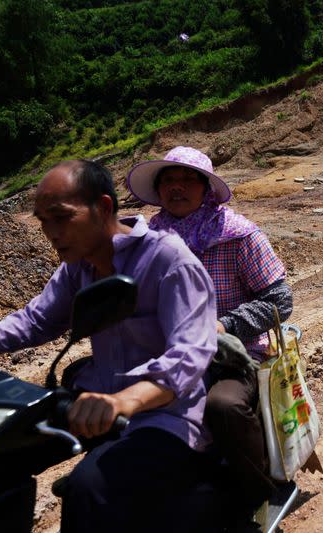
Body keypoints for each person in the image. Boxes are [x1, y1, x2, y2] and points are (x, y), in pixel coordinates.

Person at [0, 159, 218, 533]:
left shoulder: (168, 260)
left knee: (88, 488)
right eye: (43, 220)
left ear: (104, 208)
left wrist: (123, 400)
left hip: (165, 416)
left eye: (61, 217)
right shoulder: (77, 268)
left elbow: (189, 355)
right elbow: (36, 320)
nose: (50, 231)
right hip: (95, 407)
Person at [127, 146, 293, 520]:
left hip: (234, 352)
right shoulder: (148, 239)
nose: (177, 187)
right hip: (171, 352)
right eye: (168, 180)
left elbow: (279, 300)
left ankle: (257, 497)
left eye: (187, 179)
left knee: (223, 406)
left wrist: (225, 324)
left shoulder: (237, 235)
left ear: (206, 188)